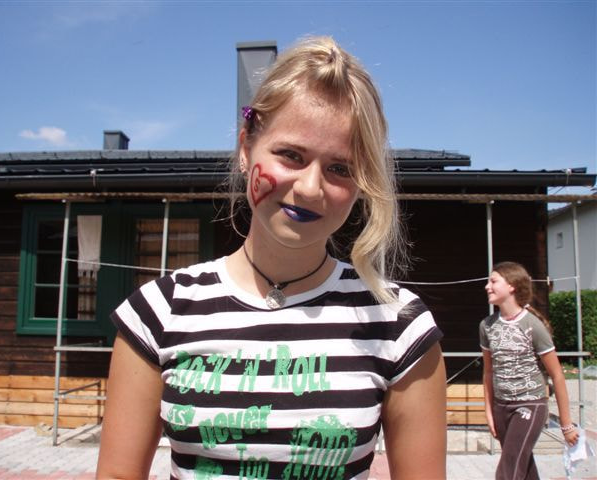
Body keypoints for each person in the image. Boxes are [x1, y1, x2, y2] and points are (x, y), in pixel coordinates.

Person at [97, 36, 446, 480]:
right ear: (246, 149)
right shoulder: (159, 312)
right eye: (291, 155)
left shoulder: (400, 324)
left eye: (340, 168)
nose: (310, 188)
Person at [480, 261, 580, 480]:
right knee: (523, 468)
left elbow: (557, 375)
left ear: (512, 286)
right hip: (501, 407)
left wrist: (566, 425)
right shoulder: (487, 326)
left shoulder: (533, 325)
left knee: (508, 471)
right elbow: (488, 372)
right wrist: (489, 412)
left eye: (493, 281)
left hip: (530, 405)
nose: (487, 286)